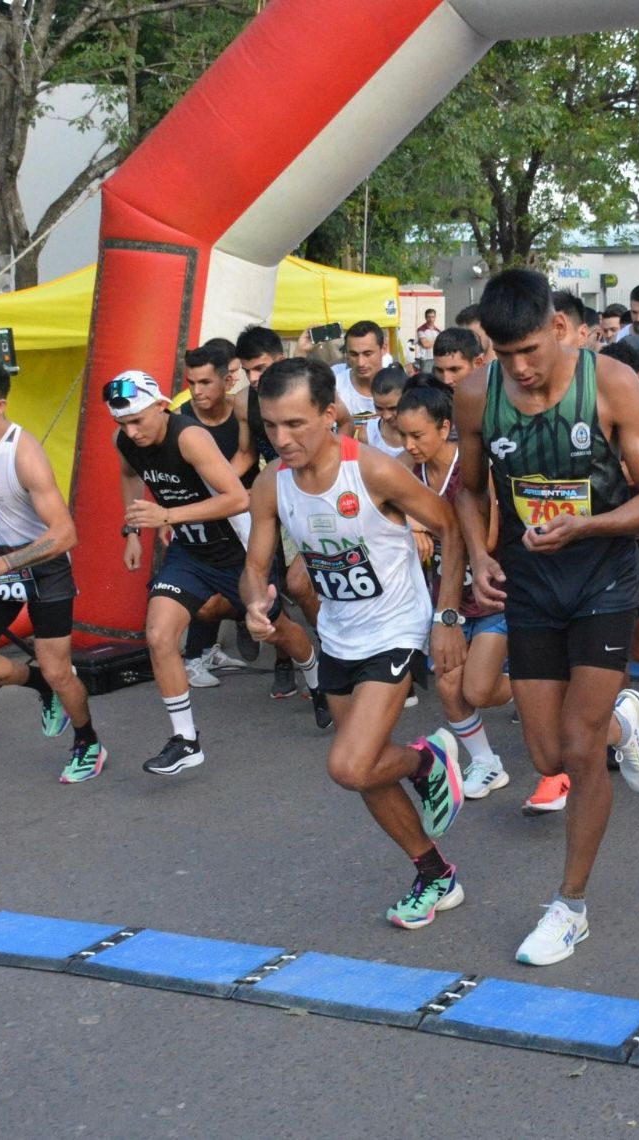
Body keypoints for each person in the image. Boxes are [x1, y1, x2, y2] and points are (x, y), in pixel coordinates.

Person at [453, 268, 639, 965]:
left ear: (560, 328)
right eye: (505, 353)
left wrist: (586, 527)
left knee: (577, 745)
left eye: (531, 350)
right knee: (547, 756)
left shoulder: (608, 385)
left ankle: (569, 905)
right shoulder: (476, 395)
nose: (521, 367)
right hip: (530, 583)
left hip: (602, 574)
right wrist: (478, 557)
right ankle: (624, 719)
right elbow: (466, 488)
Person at [243, 357, 468, 930]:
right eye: (270, 426)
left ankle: (425, 759)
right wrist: (254, 603)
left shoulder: (372, 471)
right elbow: (254, 565)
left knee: (349, 765)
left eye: (295, 423)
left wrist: (446, 616)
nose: (282, 438)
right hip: (338, 632)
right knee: (366, 771)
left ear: (328, 415)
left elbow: (451, 528)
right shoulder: (272, 483)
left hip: (395, 627)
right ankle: (434, 872)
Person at [109, 369, 328, 776]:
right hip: (190, 554)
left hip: (237, 551)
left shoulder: (188, 437)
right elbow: (128, 474)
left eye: (139, 419)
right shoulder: (124, 440)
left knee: (277, 628)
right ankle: (186, 740)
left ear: (161, 406)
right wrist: (133, 532)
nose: (132, 431)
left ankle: (317, 680)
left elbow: (239, 499)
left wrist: (168, 514)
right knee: (158, 634)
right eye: (123, 423)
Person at [0, 357, 104, 783]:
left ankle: (88, 741)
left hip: (43, 568)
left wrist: (4, 562)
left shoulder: (24, 454)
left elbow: (66, 534)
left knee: (60, 668)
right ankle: (40, 686)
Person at [394, 384, 515, 798]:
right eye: (403, 436)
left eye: (418, 436)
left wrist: (428, 525)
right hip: (447, 597)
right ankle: (486, 762)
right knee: (449, 687)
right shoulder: (404, 471)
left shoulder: (473, 467)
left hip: (492, 593)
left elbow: (491, 535)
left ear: (445, 427)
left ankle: (546, 683)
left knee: (478, 689)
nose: (409, 445)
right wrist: (410, 526)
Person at [235, 324, 326, 701]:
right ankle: (285, 660)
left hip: (315, 493)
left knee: (300, 583)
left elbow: (346, 425)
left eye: (261, 368)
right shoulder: (243, 401)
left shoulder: (307, 390)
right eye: (247, 370)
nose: (254, 378)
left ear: (281, 360)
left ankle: (336, 651)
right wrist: (215, 488)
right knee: (265, 579)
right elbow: (245, 454)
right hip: (272, 492)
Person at [176, 340, 256, 689]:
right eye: (191, 382)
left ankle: (212, 645)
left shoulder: (241, 409)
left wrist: (228, 490)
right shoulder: (181, 419)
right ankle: (195, 657)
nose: (196, 391)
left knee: (263, 591)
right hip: (202, 513)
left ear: (226, 381)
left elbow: (248, 453)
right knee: (205, 596)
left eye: (205, 382)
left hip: (246, 509)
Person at [355, 366, 412, 461]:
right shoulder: (366, 435)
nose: (386, 416)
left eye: (393, 408)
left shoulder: (423, 432)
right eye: (379, 408)